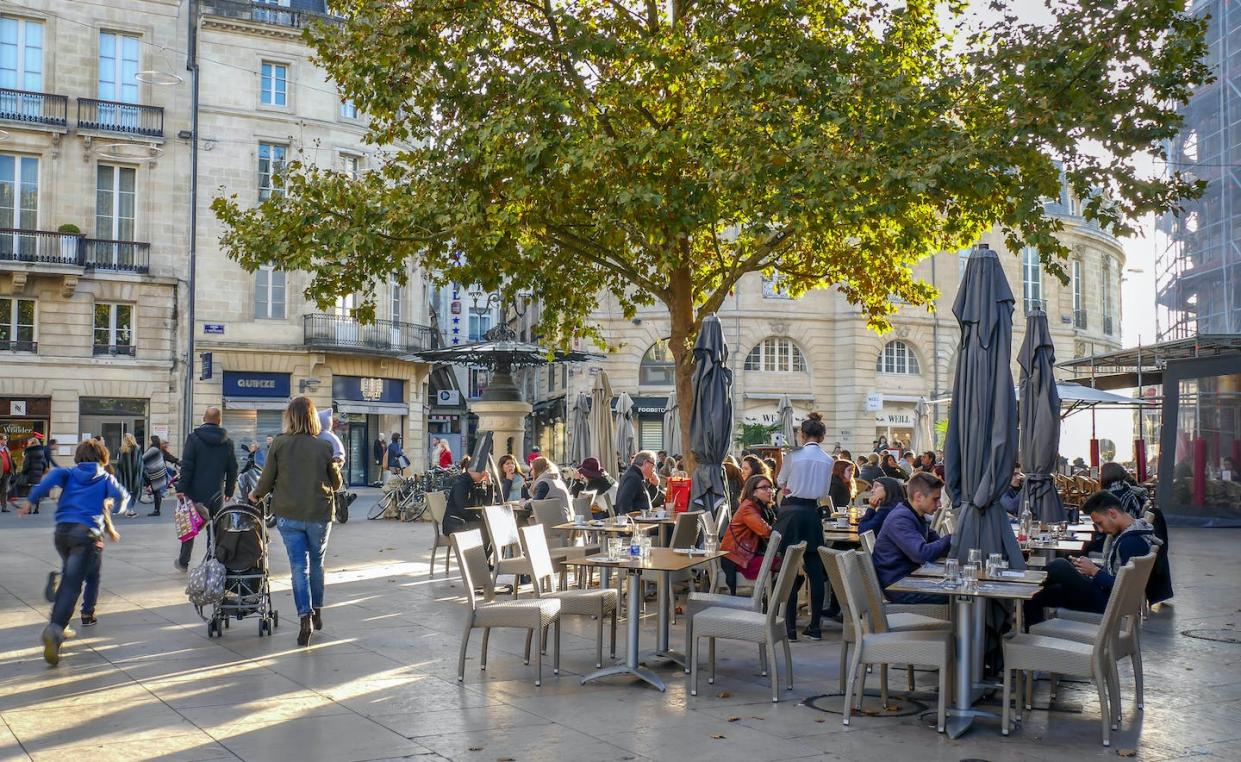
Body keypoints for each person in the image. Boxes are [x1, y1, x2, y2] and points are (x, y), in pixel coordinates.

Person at [21, 439, 124, 665]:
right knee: (73, 584)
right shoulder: (106, 477)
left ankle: (59, 608)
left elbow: (47, 481)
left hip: (62, 533)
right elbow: (123, 497)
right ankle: (56, 628)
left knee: (70, 575)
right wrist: (111, 505)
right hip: (85, 534)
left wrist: (30, 501)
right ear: (102, 457)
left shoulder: (68, 472)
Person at [250, 396, 342, 647]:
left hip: (288, 514)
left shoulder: (279, 443)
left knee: (298, 567)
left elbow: (267, 479)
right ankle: (318, 610)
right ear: (313, 417)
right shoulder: (324, 447)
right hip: (319, 514)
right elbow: (336, 485)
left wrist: (255, 494)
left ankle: (305, 618)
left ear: (290, 417)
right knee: (317, 564)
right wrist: (335, 468)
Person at [1023, 490, 1172, 627]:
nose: (1100, 530)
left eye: (1100, 523)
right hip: (1108, 597)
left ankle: (1024, 583)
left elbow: (1125, 587)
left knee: (1060, 565)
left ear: (1112, 513)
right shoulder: (1135, 532)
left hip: (1109, 604)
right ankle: (1032, 634)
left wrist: (1094, 571)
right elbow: (1121, 575)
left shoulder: (1131, 542)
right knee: (1038, 594)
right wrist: (1089, 569)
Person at [774, 412, 832, 640]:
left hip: (790, 513)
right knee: (815, 570)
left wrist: (789, 485)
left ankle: (789, 628)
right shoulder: (828, 460)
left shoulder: (793, 456)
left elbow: (780, 481)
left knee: (788, 568)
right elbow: (824, 493)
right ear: (822, 437)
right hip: (811, 513)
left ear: (802, 434)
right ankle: (815, 626)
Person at [872, 471, 953, 604]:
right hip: (899, 587)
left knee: (958, 589)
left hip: (909, 580)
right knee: (958, 597)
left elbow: (936, 542)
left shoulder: (914, 514)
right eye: (935, 499)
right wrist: (952, 538)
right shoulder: (901, 518)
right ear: (919, 497)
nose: (939, 505)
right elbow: (921, 554)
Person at [175, 407, 239, 571]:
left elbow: (187, 465)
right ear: (219, 420)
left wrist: (181, 488)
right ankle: (212, 560)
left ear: (204, 418)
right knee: (215, 528)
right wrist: (229, 491)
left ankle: (183, 562)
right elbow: (233, 469)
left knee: (191, 526)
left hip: (194, 492)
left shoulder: (193, 438)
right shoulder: (227, 442)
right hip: (216, 493)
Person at [720, 474, 777, 595]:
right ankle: (775, 603)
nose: (769, 491)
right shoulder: (748, 508)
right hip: (738, 558)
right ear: (753, 492)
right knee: (783, 563)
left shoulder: (762, 507)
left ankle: (774, 600)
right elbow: (765, 531)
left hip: (748, 554)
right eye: (764, 488)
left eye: (770, 487)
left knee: (788, 564)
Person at [18, 434, 49, 513]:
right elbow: (45, 464)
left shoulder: (29, 452)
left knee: (30, 492)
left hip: (30, 475)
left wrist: (23, 472)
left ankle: (29, 509)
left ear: (31, 443)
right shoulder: (41, 452)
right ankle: (36, 509)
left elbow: (26, 465)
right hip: (39, 475)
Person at [141, 436, 171, 516]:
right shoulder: (157, 449)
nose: (148, 441)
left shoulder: (153, 450)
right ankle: (157, 510)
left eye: (149, 440)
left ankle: (157, 510)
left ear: (153, 441)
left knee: (157, 492)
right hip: (159, 472)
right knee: (157, 492)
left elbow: (143, 459)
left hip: (155, 473)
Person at [115, 434, 142, 517]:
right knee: (134, 492)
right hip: (135, 474)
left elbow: (119, 464)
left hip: (124, 476)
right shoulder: (137, 449)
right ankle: (131, 509)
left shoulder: (121, 450)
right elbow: (140, 463)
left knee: (126, 492)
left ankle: (127, 509)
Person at [0, 433, 11, 511]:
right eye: (4, 439)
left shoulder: (6, 449)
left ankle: (4, 507)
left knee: (4, 491)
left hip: (6, 473)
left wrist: (12, 469)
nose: (6, 441)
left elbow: (9, 459)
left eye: (6, 439)